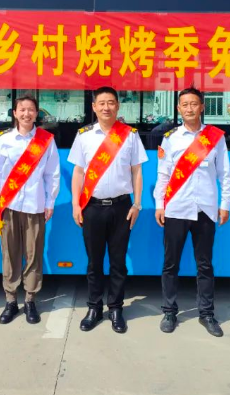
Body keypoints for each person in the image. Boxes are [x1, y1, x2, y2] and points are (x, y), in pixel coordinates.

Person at [154, 87, 230, 336]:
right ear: (179, 109)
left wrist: (225, 205)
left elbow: (226, 174)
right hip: (176, 209)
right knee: (170, 264)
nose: (189, 108)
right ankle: (169, 311)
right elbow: (163, 174)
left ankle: (207, 314)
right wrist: (159, 205)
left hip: (205, 210)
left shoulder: (215, 138)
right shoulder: (171, 138)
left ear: (202, 107)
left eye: (194, 104)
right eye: (185, 105)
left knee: (205, 265)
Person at [68, 87, 147, 333]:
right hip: (92, 207)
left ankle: (115, 308)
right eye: (101, 103)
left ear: (118, 106)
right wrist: (75, 204)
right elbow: (78, 172)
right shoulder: (84, 136)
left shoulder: (129, 135)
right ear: (94, 107)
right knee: (94, 262)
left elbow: (137, 171)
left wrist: (137, 204)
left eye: (111, 102)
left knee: (118, 262)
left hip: (122, 207)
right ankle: (94, 307)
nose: (106, 107)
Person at [0, 95, 60, 325]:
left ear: (37, 113)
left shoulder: (46, 140)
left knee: (33, 255)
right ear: (15, 113)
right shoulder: (5, 139)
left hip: (35, 205)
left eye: (31, 110)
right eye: (22, 109)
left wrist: (50, 202)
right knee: (9, 254)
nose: (26, 114)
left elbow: (52, 174)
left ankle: (30, 300)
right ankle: (10, 300)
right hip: (9, 205)